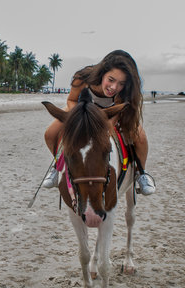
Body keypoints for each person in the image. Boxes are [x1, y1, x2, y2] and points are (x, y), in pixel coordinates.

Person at [42, 50, 156, 195]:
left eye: (121, 83)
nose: (114, 87)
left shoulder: (124, 92)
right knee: (50, 133)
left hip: (111, 113)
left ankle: (142, 173)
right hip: (81, 109)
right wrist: (77, 117)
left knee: (140, 137)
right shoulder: (82, 78)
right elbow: (71, 100)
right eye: (111, 79)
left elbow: (118, 111)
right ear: (102, 73)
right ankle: (57, 166)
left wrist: (107, 126)